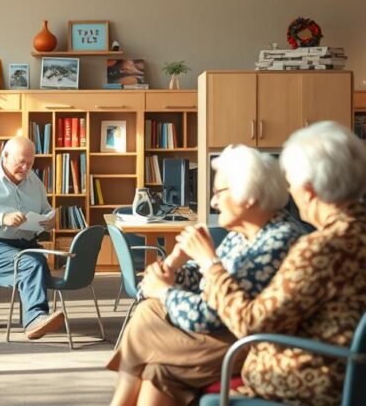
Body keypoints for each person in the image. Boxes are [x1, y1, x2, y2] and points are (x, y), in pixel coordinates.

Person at [177, 121, 366, 405]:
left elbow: (252, 325)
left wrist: (210, 264)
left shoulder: (321, 248)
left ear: (308, 189)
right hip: (350, 372)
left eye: (290, 184)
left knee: (171, 368)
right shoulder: (356, 232)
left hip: (314, 382)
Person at [107, 145, 303, 406]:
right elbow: (192, 284)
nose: (213, 202)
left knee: (147, 314)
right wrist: (174, 265)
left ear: (249, 196)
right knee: (156, 365)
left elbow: (209, 316)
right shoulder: (241, 235)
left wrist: (165, 290)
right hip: (219, 336)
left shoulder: (277, 241)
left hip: (248, 346)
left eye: (218, 193)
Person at [0, 136, 63, 339]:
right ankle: (3, 313)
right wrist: (2, 218)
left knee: (34, 261)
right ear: (5, 156)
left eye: (30, 163)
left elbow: (46, 210)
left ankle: (33, 317)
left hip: (23, 242)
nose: (26, 169)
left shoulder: (35, 182)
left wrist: (49, 221)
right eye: (21, 162)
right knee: (29, 263)